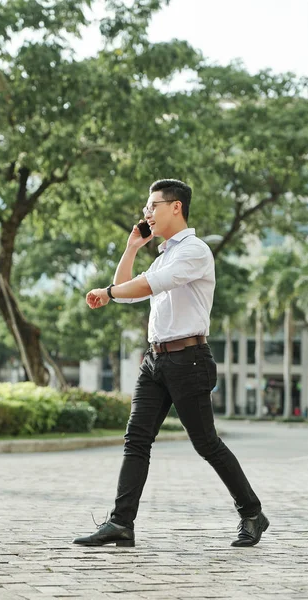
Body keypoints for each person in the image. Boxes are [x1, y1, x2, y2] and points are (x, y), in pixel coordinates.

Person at [73, 179, 269, 548]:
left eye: (152, 205)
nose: (146, 212)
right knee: (136, 439)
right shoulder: (164, 254)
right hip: (155, 360)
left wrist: (107, 292)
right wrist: (132, 248)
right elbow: (128, 292)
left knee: (206, 443)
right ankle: (121, 523)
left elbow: (144, 286)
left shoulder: (194, 251)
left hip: (188, 360)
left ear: (175, 207)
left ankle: (252, 513)